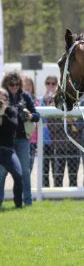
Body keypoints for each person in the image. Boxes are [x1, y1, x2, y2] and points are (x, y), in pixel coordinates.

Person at [0, 71, 40, 206]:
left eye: (17, 84)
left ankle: (27, 201)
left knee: (25, 171)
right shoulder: (2, 96)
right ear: (6, 83)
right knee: (2, 172)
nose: (14, 87)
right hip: (5, 141)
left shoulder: (25, 97)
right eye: (11, 84)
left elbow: (37, 115)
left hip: (22, 138)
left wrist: (29, 115)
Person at [0, 87, 22, 209]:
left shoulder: (11, 111)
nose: (1, 101)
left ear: (8, 101)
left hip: (8, 151)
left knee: (18, 175)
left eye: (4, 98)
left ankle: (18, 203)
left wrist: (3, 114)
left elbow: (13, 126)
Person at [40, 76, 58, 187]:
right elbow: (41, 119)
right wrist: (46, 102)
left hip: (56, 140)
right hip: (44, 140)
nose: (50, 86)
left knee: (56, 169)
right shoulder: (41, 101)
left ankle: (56, 190)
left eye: (53, 83)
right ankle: (45, 189)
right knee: (44, 169)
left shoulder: (59, 100)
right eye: (48, 83)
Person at [22, 75, 39, 172]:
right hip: (22, 138)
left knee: (30, 167)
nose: (27, 86)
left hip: (33, 140)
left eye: (29, 84)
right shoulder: (18, 100)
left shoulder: (36, 101)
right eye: (25, 84)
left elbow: (37, 115)